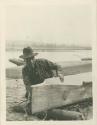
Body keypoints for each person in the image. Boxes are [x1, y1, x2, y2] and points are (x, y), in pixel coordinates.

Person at [19, 47, 64, 114]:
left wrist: (59, 73)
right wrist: (30, 97)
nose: (31, 61)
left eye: (32, 58)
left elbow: (57, 66)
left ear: (34, 57)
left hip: (49, 85)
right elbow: (27, 85)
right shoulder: (25, 70)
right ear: (25, 60)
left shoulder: (43, 62)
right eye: (28, 60)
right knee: (30, 100)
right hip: (36, 89)